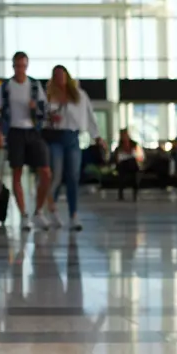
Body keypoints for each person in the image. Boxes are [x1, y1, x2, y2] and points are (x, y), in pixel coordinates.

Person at [0, 51, 51, 231]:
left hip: (33, 132)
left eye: (23, 66)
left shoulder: (34, 85)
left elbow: (44, 110)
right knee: (17, 173)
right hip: (14, 132)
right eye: (17, 66)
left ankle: (38, 212)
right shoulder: (5, 87)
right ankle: (24, 215)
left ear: (27, 66)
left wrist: (35, 108)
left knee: (46, 173)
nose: (20, 69)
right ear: (13, 66)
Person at [42, 65, 99, 232]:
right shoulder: (48, 96)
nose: (60, 79)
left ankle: (73, 215)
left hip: (73, 138)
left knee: (73, 176)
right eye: (56, 76)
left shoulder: (79, 96)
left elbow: (89, 115)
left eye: (62, 75)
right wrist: (50, 117)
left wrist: (97, 136)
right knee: (57, 175)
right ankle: (51, 210)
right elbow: (40, 117)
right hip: (55, 138)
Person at [112, 128, 145, 201]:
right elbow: (117, 159)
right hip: (123, 166)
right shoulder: (119, 148)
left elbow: (140, 156)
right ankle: (121, 194)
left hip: (132, 165)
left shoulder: (134, 145)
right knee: (124, 169)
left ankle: (134, 194)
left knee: (132, 164)